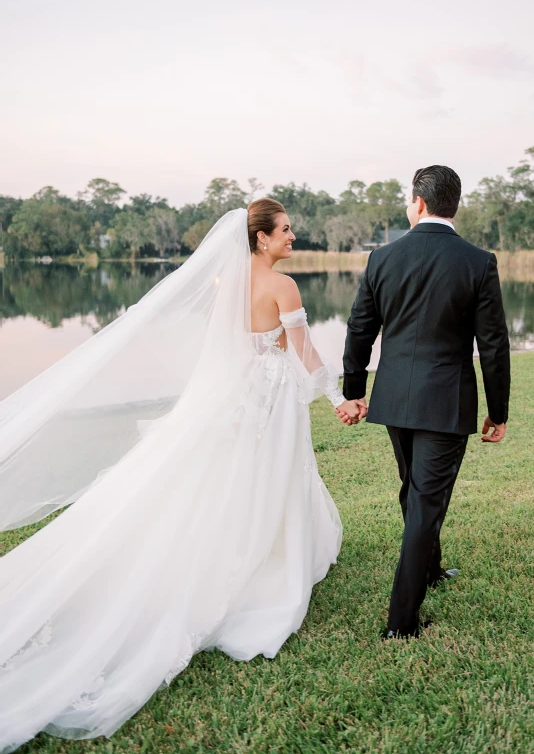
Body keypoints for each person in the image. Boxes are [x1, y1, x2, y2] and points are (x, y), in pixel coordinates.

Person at [0, 200, 345, 751]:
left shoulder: (220, 282)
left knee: (235, 478)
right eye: (284, 230)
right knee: (267, 477)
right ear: (260, 240)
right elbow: (302, 351)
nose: (292, 236)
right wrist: (336, 397)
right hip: (270, 398)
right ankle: (261, 560)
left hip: (234, 397)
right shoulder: (284, 287)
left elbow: (222, 344)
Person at [338, 164, 511, 638]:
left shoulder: (382, 258)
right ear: (454, 204)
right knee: (424, 502)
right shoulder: (477, 261)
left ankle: (429, 571)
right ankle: (401, 624)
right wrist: (498, 410)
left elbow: (359, 328)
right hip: (445, 402)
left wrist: (355, 389)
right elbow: (493, 345)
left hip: (396, 397)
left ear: (417, 202)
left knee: (415, 491)